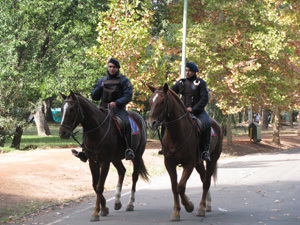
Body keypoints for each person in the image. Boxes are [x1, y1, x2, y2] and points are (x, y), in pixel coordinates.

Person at [72, 58, 135, 161]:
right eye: (110, 66)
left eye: (114, 67)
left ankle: (128, 149)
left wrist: (117, 103)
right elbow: (94, 97)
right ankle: (84, 150)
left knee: (126, 123)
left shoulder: (124, 80)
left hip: (118, 109)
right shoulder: (102, 80)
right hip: (103, 108)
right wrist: (99, 87)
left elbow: (128, 96)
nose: (112, 69)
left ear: (118, 68)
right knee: (88, 123)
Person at [170, 62, 211, 161]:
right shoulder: (180, 83)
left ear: (194, 72)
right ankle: (165, 147)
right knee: (166, 122)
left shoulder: (200, 83)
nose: (187, 73)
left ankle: (205, 150)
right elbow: (170, 93)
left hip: (198, 112)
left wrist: (193, 109)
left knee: (206, 123)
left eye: (190, 71)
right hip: (182, 112)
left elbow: (204, 98)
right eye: (186, 70)